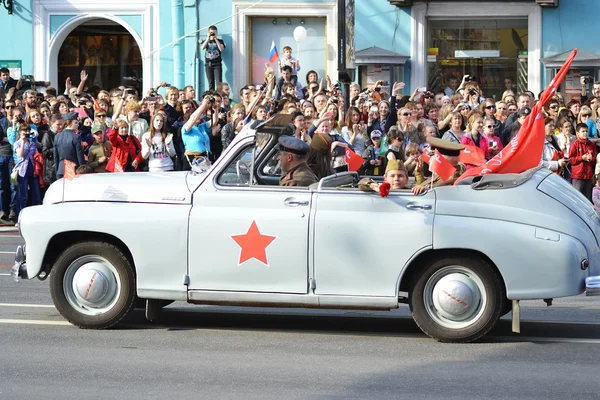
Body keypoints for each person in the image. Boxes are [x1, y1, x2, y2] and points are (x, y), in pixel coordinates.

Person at [13, 123, 41, 214]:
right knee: (23, 196)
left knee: (36, 195)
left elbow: (36, 155)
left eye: (28, 130)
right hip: (22, 171)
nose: (27, 132)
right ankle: (20, 216)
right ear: (20, 132)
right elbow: (20, 155)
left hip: (32, 170)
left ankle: (36, 214)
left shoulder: (32, 143)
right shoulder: (17, 143)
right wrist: (23, 141)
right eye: (24, 130)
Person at [569, 123, 597, 202]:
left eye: (586, 131)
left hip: (588, 176)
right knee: (577, 197)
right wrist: (581, 158)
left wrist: (592, 159)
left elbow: (595, 159)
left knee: (587, 198)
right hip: (577, 176)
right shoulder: (575, 144)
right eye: (583, 131)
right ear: (577, 133)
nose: (585, 133)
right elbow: (570, 159)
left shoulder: (591, 145)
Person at [53, 112, 85, 180]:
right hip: (73, 169)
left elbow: (56, 157)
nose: (77, 125)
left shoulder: (57, 137)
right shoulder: (76, 137)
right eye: (75, 123)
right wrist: (82, 170)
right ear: (69, 123)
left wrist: (57, 170)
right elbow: (80, 156)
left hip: (61, 169)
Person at [201, 25, 225, 91]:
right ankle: (212, 96)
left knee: (219, 83)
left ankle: (219, 96)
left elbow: (221, 49)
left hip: (217, 64)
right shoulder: (207, 41)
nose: (213, 34)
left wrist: (216, 39)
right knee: (210, 83)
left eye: (214, 32)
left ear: (217, 33)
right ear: (208, 32)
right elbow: (202, 47)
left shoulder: (220, 41)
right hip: (208, 64)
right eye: (211, 32)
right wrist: (208, 38)